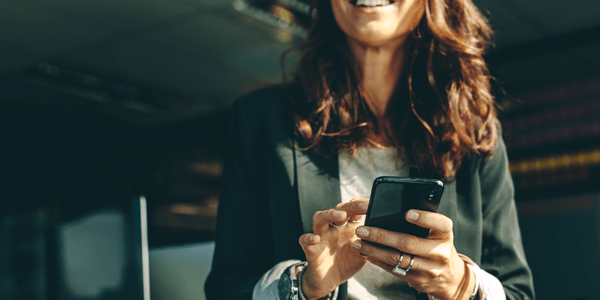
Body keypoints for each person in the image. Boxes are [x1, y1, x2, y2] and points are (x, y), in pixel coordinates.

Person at [205, 0, 534, 299]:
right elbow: (227, 288)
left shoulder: (473, 129)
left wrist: (461, 284)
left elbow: (518, 291)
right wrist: (303, 286)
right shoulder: (261, 119)